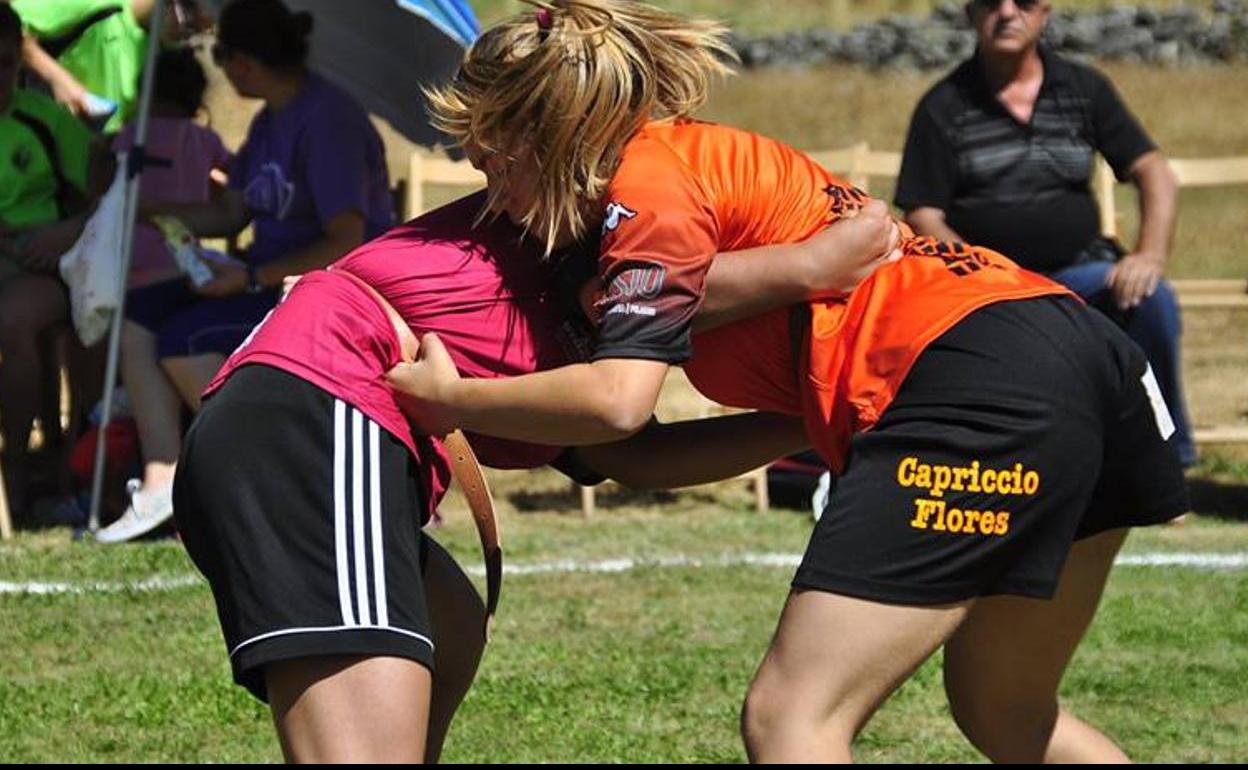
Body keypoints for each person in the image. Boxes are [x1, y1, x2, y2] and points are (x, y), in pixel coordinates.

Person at [399, 0, 1188, 762]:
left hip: (970, 372)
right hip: (1072, 347)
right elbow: (634, 454)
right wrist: (812, 416)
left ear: (543, 133)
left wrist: (451, 403)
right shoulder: (677, 173)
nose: (477, 172)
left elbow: (616, 400)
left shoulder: (645, 190)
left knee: (791, 720)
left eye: (486, 147)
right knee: (1007, 710)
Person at [172, 187, 897, 762]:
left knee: (449, 625)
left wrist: (818, 416)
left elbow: (634, 455)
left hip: (286, 424)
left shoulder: (595, 262)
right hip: (312, 419)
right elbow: (645, 325)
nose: (485, 162)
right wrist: (813, 266)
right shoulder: (580, 216)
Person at [96, 0, 394, 542]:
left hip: (330, 292)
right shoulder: (270, 119)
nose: (220, 67)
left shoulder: (328, 121)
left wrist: (251, 280)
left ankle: (274, 480)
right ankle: (163, 478)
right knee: (141, 316)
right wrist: (145, 210)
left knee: (184, 340)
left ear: (245, 63)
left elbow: (345, 239)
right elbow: (232, 212)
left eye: (222, 54)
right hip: (264, 277)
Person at [894, 0, 1195, 467]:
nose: (1008, 12)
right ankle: (1002, 468)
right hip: (989, 289)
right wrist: (981, 276)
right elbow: (923, 215)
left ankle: (1162, 466)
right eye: (992, 2)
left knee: (1151, 301)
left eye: (1024, 2)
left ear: (1046, 12)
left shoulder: (1083, 88)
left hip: (1084, 276)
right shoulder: (942, 105)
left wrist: (1149, 256)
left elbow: (1153, 170)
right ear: (972, 14)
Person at [0, 3, 113, 521]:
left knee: (17, 322)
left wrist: (69, 228)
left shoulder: (41, 119)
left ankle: (23, 472)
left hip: (37, 265)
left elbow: (104, 187)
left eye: (4, 64)